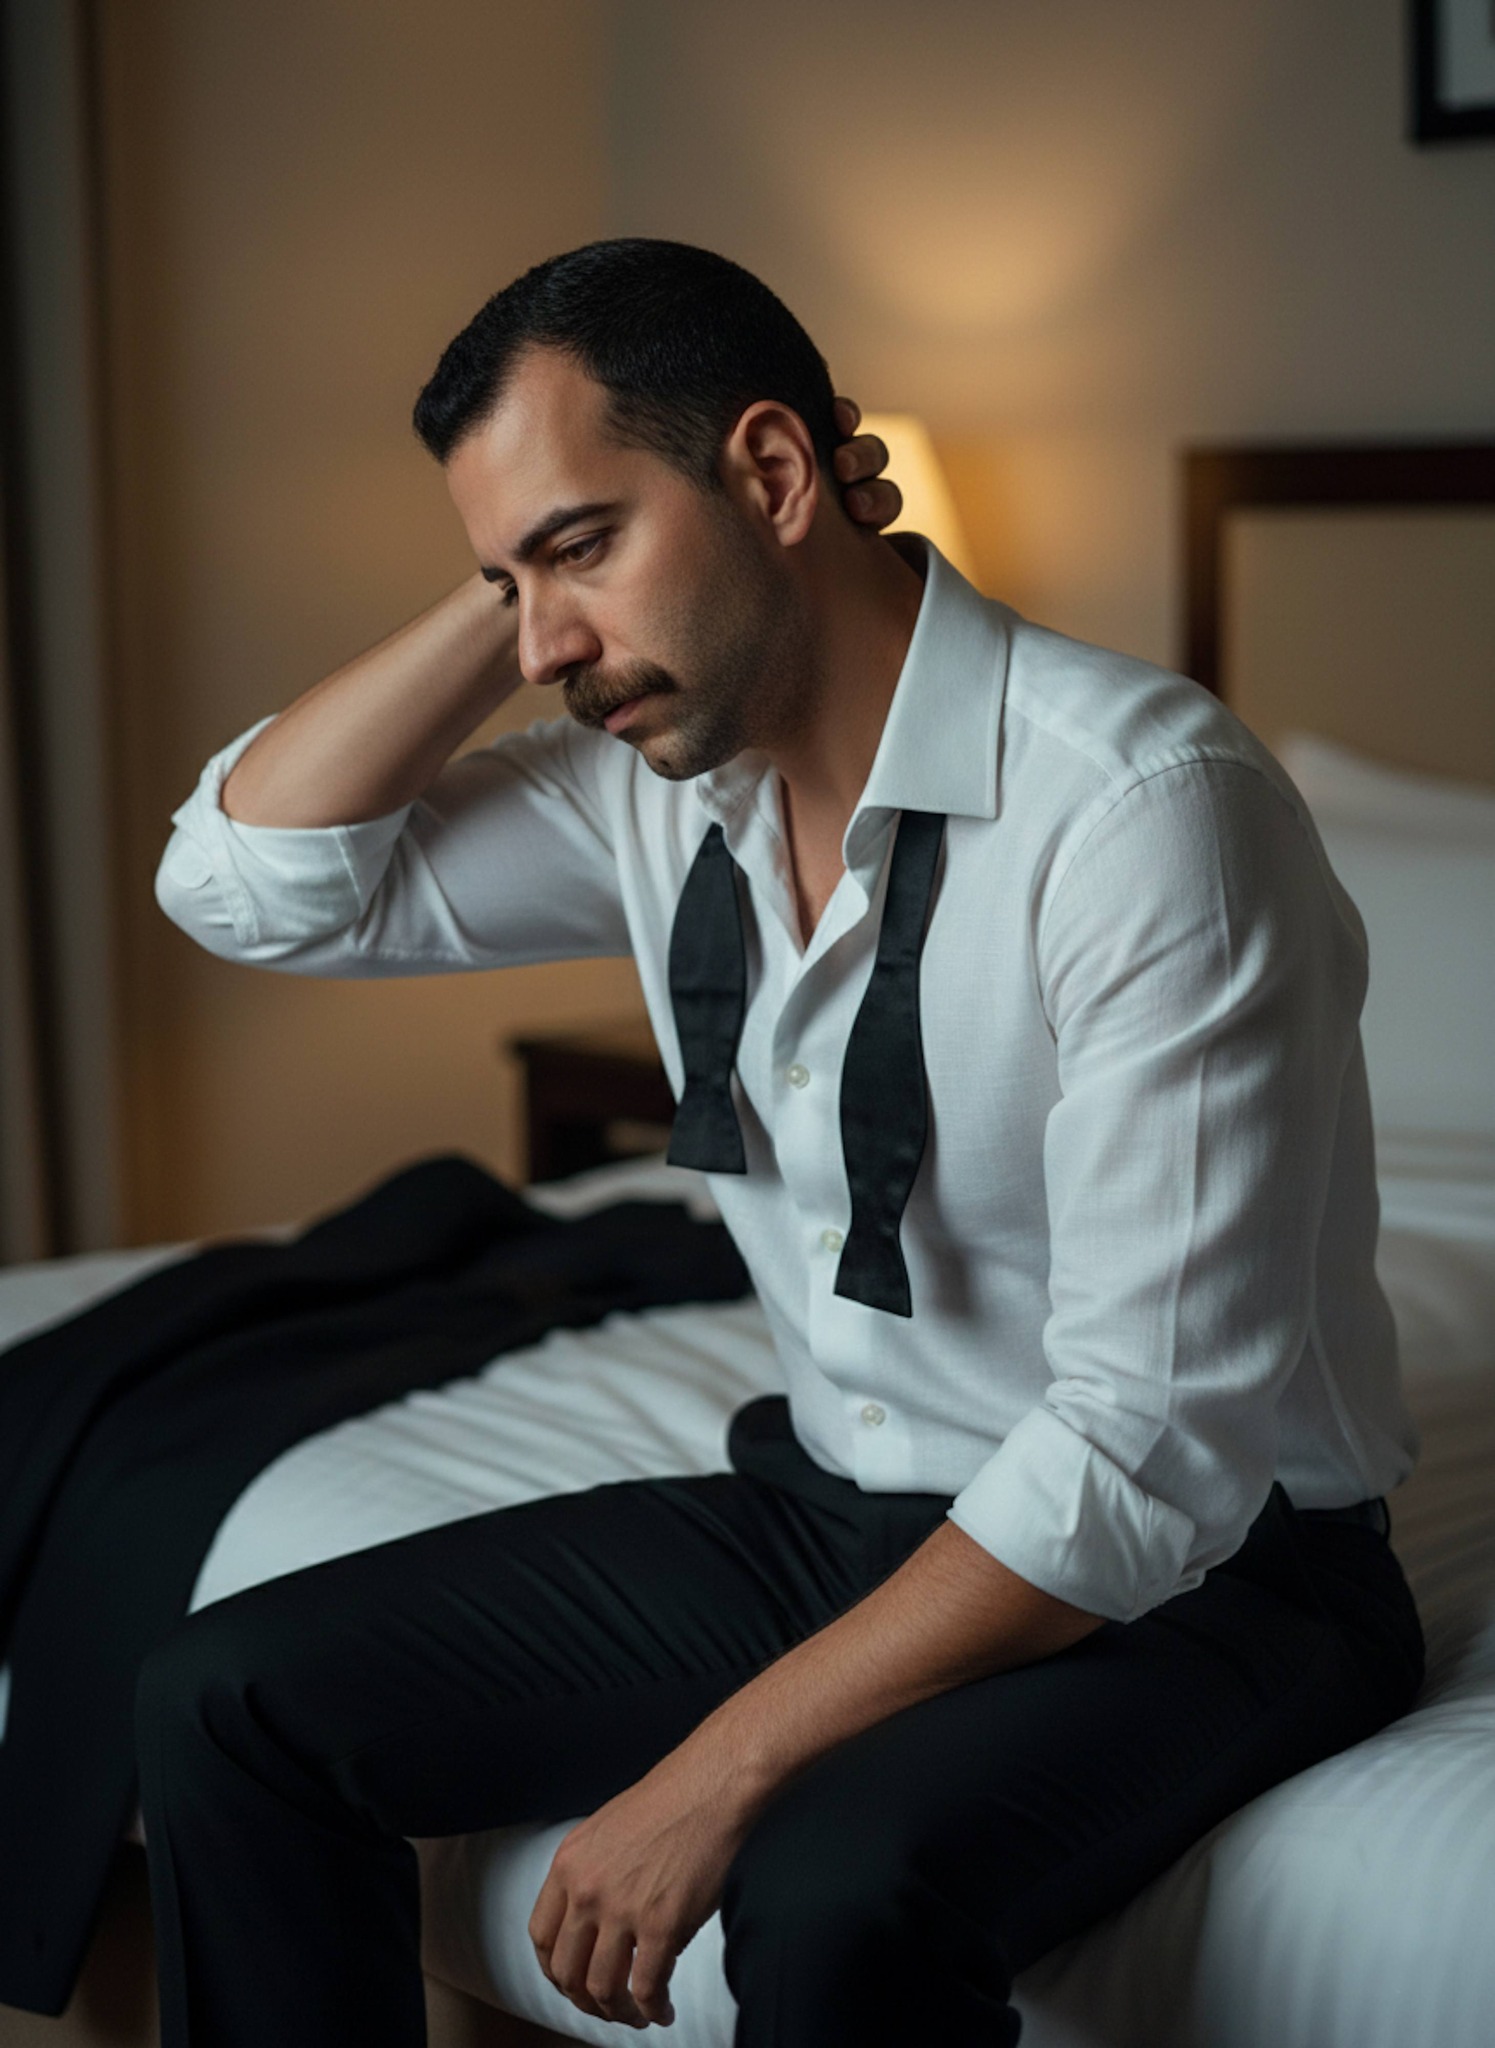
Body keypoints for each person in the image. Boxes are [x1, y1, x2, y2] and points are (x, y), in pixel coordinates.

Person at [144, 237, 1424, 2048]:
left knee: (823, 1885)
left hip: (1216, 1579)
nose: (541, 649)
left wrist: (716, 1770)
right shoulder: (659, 782)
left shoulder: (1145, 810)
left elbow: (1146, 1449)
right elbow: (245, 885)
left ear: (772, 473)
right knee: (225, 1699)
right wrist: (513, 577)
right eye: (507, 579)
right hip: (844, 1510)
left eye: (583, 547)